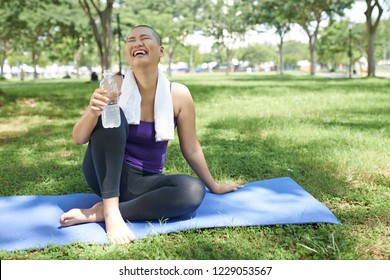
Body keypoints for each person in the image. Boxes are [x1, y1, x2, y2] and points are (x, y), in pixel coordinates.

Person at [60, 24, 243, 245]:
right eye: (131, 40)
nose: (137, 43)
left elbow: (191, 147)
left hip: (145, 182)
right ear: (128, 52)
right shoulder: (114, 85)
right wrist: (92, 111)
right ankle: (110, 212)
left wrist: (213, 185)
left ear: (161, 51)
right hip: (106, 173)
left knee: (193, 191)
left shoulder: (179, 95)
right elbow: (79, 138)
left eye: (144, 38)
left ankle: (99, 213)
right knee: (114, 113)